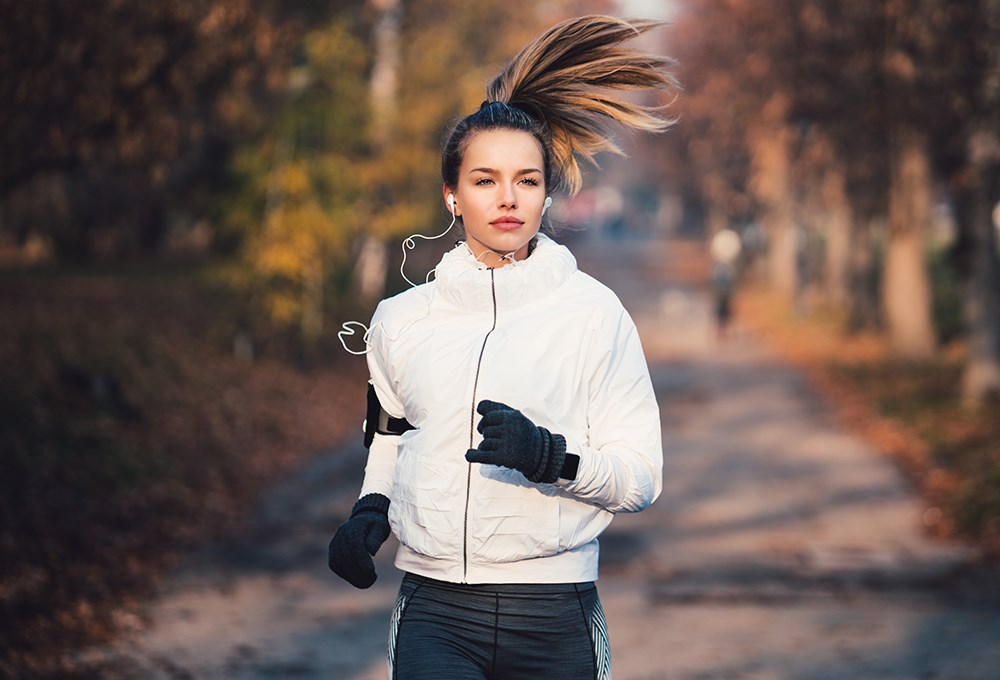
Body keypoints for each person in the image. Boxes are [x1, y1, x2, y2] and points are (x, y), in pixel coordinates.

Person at [328, 15, 677, 680]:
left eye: (527, 180)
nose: (507, 199)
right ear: (452, 197)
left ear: (547, 194)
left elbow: (641, 478)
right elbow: (390, 431)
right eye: (485, 180)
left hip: (555, 618)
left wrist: (550, 455)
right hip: (435, 615)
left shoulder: (593, 315)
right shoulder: (401, 320)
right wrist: (370, 508)